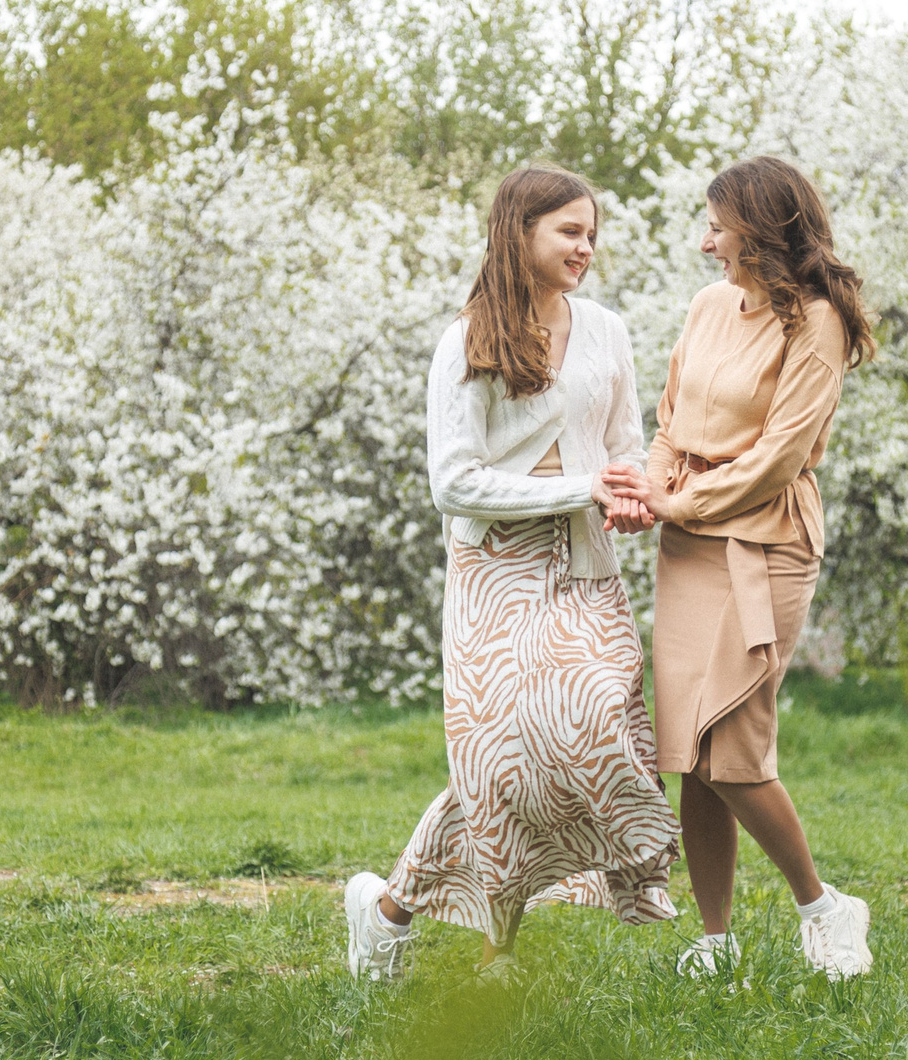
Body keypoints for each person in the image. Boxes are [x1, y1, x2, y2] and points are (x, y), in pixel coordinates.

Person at [344, 166, 678, 981]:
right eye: (569, 231)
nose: (585, 247)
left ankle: (393, 908)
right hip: (496, 570)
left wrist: (630, 490)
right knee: (500, 760)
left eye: (592, 233)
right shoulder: (467, 340)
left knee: (595, 721)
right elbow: (452, 482)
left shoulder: (608, 330)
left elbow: (626, 442)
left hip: (586, 564)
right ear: (518, 231)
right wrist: (581, 487)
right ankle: (472, 939)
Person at [600, 155, 877, 981]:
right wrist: (647, 487)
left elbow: (777, 456)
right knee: (689, 745)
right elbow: (670, 420)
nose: (704, 242)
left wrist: (675, 504)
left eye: (716, 226)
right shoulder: (709, 305)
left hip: (762, 540)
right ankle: (716, 939)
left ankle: (823, 909)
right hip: (687, 542)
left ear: (758, 230)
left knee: (735, 746)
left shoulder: (817, 322)